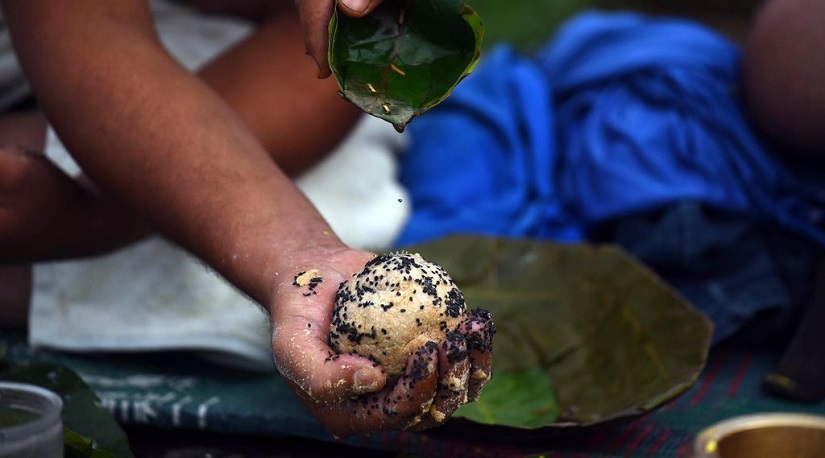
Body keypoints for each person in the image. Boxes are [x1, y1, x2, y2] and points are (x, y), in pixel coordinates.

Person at [0, 0, 494, 437]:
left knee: (350, 197)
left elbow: (328, 66)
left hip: (203, 48)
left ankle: (86, 210)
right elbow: (95, 31)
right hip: (61, 46)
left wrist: (298, 258)